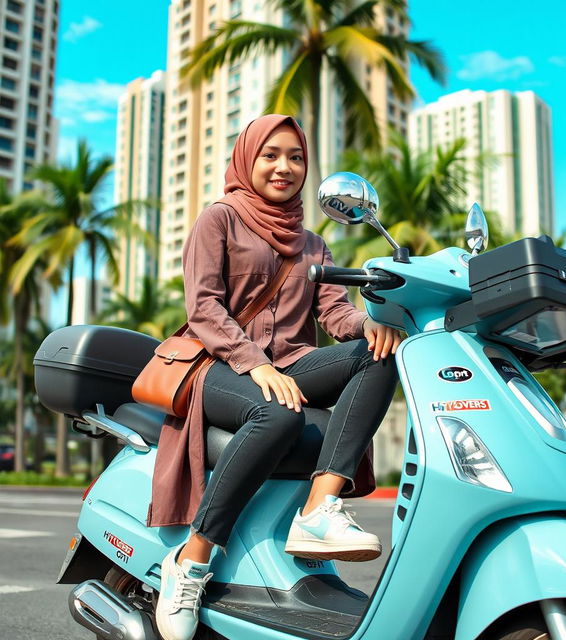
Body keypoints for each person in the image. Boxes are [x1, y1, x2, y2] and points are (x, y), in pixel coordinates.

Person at [155, 114, 401, 640]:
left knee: (379, 354)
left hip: (291, 364)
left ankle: (320, 507)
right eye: (270, 155)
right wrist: (256, 364)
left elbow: (336, 317)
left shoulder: (313, 244)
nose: (284, 167)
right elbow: (204, 309)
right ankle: (191, 559)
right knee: (277, 413)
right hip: (218, 366)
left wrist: (375, 322)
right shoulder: (218, 219)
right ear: (247, 159)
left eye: (295, 157)